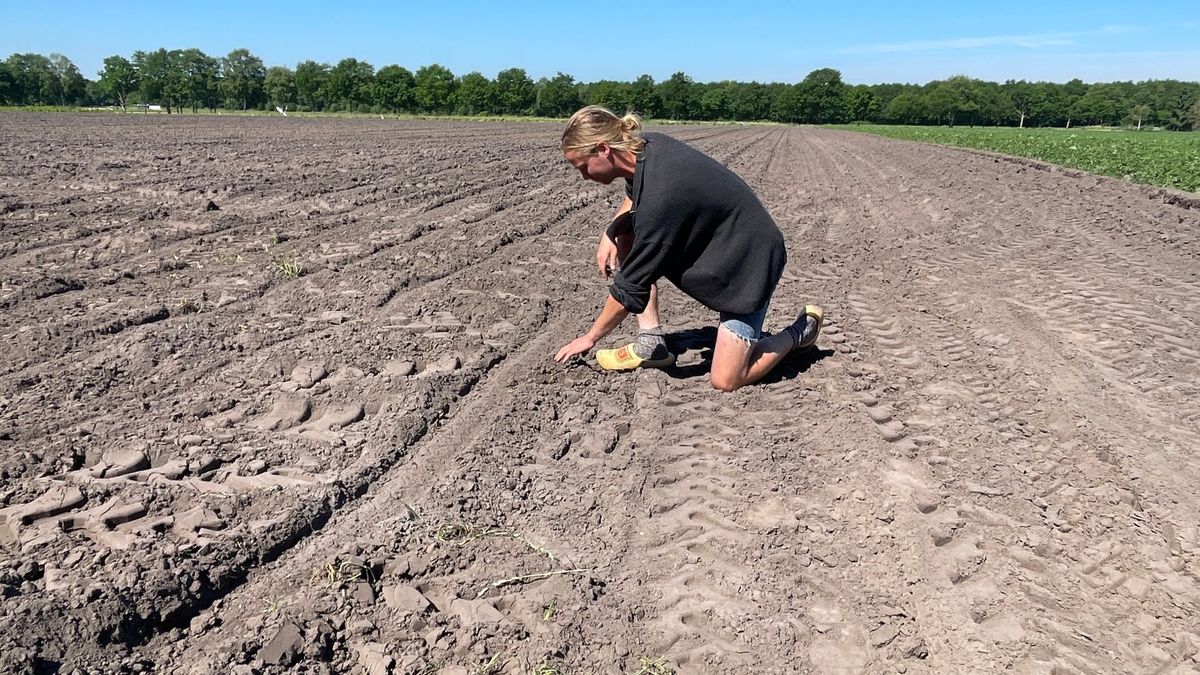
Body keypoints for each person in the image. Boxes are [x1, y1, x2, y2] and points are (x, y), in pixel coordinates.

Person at [553, 106, 822, 392]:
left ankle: (798, 334)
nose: (583, 176)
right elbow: (634, 195)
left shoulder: (661, 198)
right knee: (627, 232)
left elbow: (628, 290)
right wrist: (612, 230)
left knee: (726, 379)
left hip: (751, 262)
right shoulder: (645, 149)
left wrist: (590, 338)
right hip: (723, 244)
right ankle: (651, 344)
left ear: (604, 149)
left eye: (583, 167)